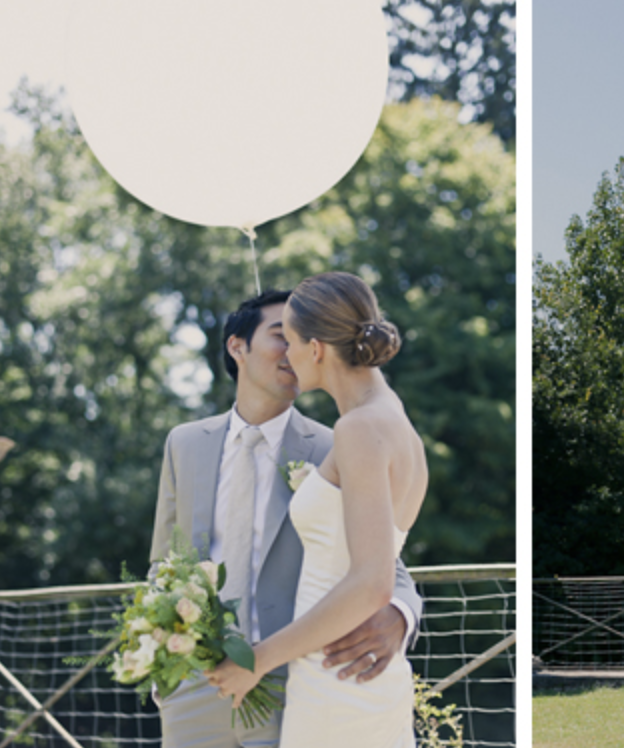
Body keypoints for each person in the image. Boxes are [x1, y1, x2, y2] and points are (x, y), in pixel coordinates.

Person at [152, 288, 423, 747]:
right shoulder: (184, 443)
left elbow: (382, 565)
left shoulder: (334, 443)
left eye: (294, 338)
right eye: (279, 336)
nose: (289, 351)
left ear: (316, 347)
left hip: (289, 678)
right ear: (238, 347)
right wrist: (164, 663)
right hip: (195, 686)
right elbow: (164, 560)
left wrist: (400, 614)